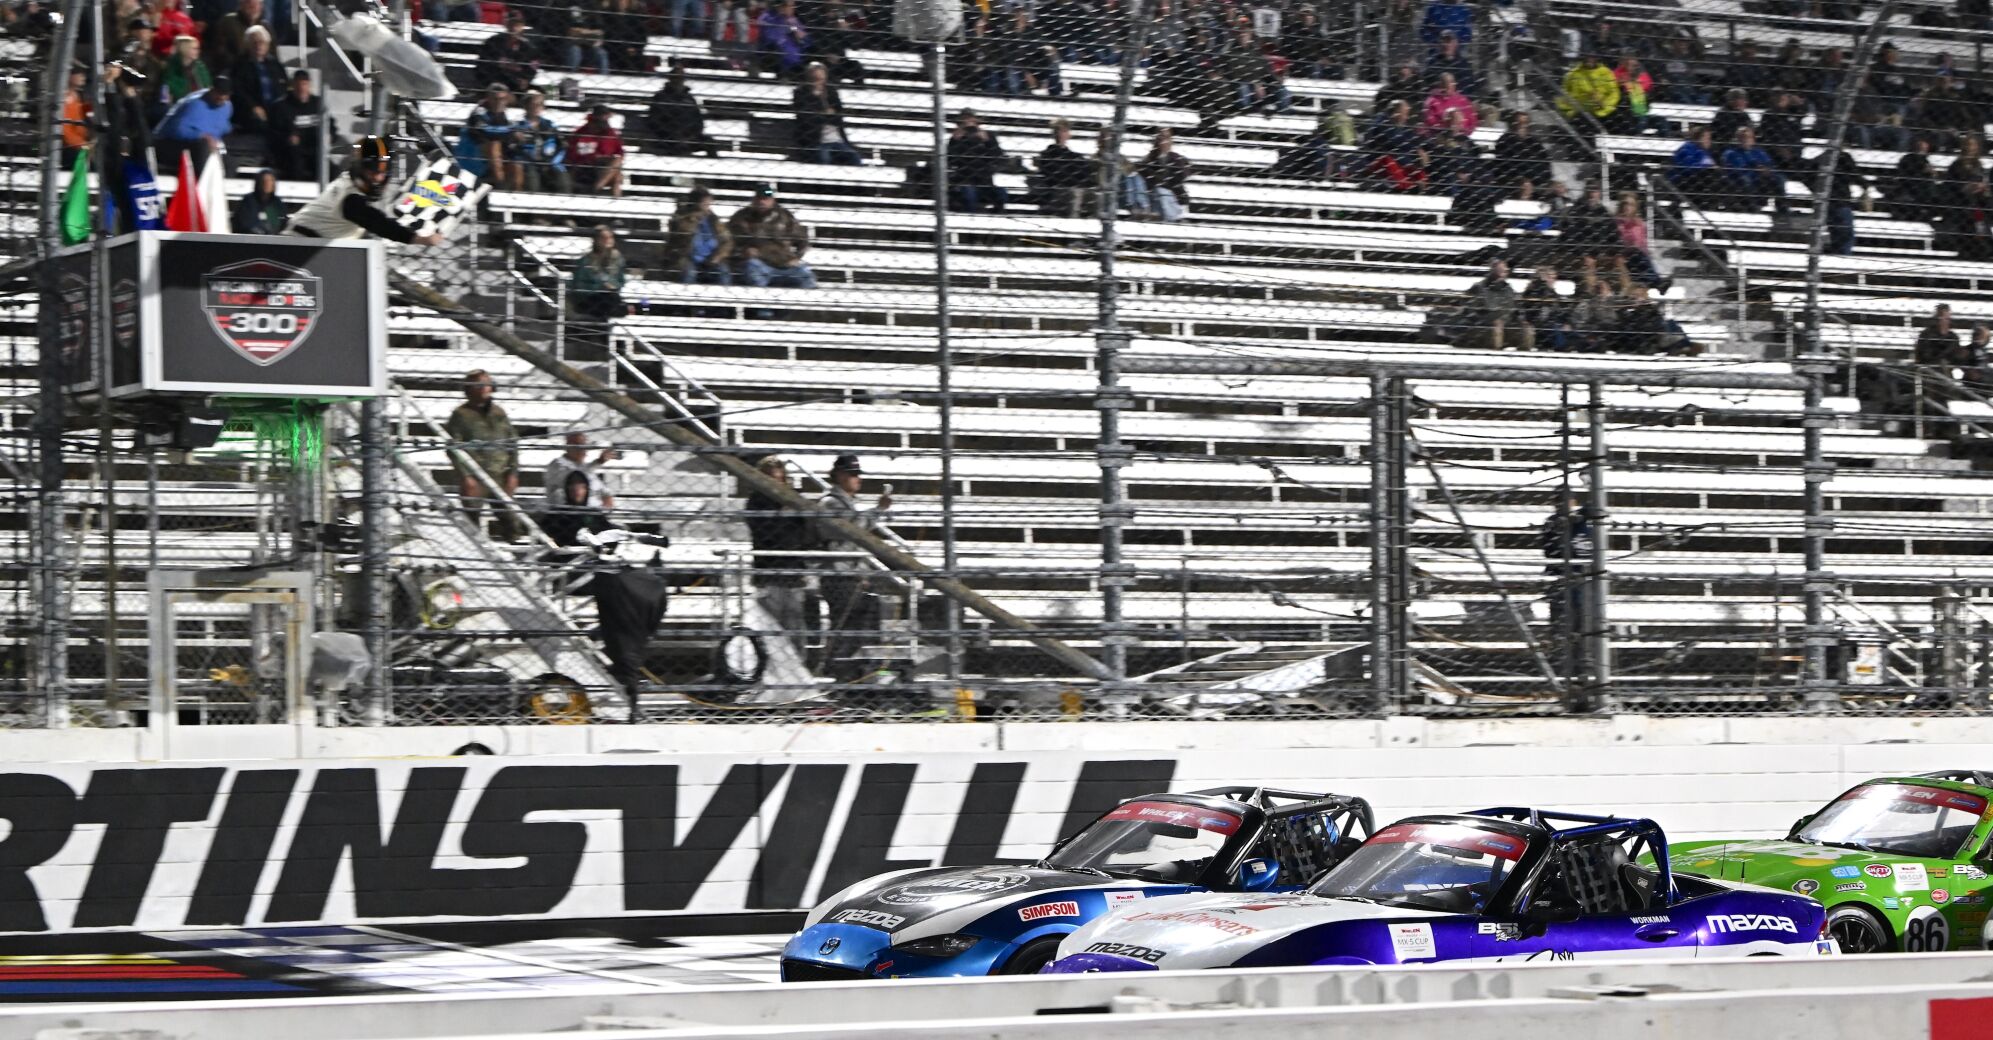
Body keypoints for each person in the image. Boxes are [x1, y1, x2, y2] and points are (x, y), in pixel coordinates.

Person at [814, 453, 891, 681]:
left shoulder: (847, 504)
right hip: (838, 575)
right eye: (853, 474)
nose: (858, 479)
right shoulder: (829, 503)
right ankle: (840, 673)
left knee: (861, 623)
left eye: (858, 475)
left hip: (851, 574)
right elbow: (849, 530)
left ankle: (860, 671)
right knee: (845, 627)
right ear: (839, 476)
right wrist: (876, 511)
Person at [284, 135, 444, 245]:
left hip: (304, 246)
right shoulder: (350, 199)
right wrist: (418, 239)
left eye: (382, 173)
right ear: (360, 168)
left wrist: (415, 141)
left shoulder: (349, 180)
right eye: (372, 172)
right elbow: (377, 222)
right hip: (297, 248)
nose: (378, 178)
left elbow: (375, 149)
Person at [744, 455, 814, 661]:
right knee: (771, 624)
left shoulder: (791, 499)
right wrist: (782, 515)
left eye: (780, 479)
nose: (777, 484)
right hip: (769, 571)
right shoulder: (756, 502)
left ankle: (796, 666)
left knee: (794, 623)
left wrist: (795, 510)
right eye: (771, 479)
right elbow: (765, 534)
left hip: (793, 570)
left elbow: (805, 533)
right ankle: (770, 666)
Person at [444, 370, 524, 541]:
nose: (485, 388)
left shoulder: (498, 413)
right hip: (475, 475)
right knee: (471, 521)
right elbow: (453, 448)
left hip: (500, 474)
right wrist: (466, 476)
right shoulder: (460, 415)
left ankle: (515, 548)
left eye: (487, 383)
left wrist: (513, 473)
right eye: (479, 384)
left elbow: (513, 442)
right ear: (469, 389)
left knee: (511, 520)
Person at [729, 183, 816, 288]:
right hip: (759, 264)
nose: (762, 202)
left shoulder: (785, 216)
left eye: (766, 199)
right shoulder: (741, 217)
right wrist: (744, 252)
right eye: (759, 198)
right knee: (752, 267)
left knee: (805, 273)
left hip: (785, 265)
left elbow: (803, 241)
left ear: (772, 200)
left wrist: (797, 258)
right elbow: (729, 242)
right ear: (754, 199)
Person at [571, 225, 628, 355]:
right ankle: (615, 347)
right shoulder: (585, 261)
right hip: (588, 299)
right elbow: (579, 286)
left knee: (610, 301)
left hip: (608, 299)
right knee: (611, 302)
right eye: (603, 238)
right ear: (596, 240)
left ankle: (609, 342)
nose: (608, 240)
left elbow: (621, 281)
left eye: (610, 237)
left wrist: (612, 286)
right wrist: (600, 287)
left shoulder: (617, 260)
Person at [152, 74, 231, 169]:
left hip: (206, 148)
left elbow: (221, 127)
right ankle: (199, 183)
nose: (222, 97)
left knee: (230, 162)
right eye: (219, 93)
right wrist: (202, 136)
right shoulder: (194, 103)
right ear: (212, 89)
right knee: (203, 148)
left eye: (225, 94)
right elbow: (175, 130)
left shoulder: (227, 107)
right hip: (168, 144)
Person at [647, 62, 722, 157]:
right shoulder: (661, 96)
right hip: (668, 136)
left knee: (710, 142)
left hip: (690, 136)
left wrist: (691, 135)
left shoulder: (689, 98)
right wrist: (672, 133)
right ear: (670, 78)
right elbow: (654, 121)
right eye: (675, 77)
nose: (678, 80)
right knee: (676, 144)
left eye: (680, 77)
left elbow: (698, 120)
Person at [794, 63, 861, 165]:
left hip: (837, 139)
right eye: (816, 79)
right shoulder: (802, 92)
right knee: (824, 159)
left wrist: (823, 114)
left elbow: (838, 116)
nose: (819, 82)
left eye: (822, 79)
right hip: (816, 140)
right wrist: (816, 99)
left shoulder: (831, 91)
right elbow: (807, 118)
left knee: (855, 158)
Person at [664, 185, 733, 284]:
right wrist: (693, 218)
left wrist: (717, 257)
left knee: (723, 272)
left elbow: (727, 240)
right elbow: (681, 233)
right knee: (689, 273)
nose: (707, 202)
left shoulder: (713, 219)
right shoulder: (681, 216)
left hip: (710, 259)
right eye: (703, 199)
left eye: (708, 199)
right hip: (685, 258)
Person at [266, 70, 327, 181]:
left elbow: (330, 126)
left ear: (309, 85)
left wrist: (329, 136)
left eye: (304, 84)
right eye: (298, 84)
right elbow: (273, 133)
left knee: (332, 169)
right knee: (296, 164)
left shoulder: (318, 104)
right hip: (290, 154)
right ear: (293, 86)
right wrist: (287, 139)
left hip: (315, 151)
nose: (301, 88)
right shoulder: (281, 107)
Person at [459, 83, 520, 190]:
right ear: (488, 98)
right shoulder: (479, 111)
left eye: (503, 99)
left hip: (496, 151)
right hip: (473, 149)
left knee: (517, 163)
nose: (499, 102)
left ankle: (516, 192)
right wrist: (510, 131)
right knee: (494, 146)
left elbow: (507, 135)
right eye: (495, 99)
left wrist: (511, 135)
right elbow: (485, 132)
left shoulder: (503, 114)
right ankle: (500, 185)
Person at [947, 109, 1008, 213]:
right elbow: (949, 159)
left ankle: (998, 213)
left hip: (985, 180)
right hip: (963, 179)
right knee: (968, 193)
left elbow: (999, 157)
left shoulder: (988, 137)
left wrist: (987, 141)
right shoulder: (956, 138)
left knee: (1001, 193)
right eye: (965, 121)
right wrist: (955, 140)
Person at [1035, 118, 1096, 217]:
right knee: (1074, 194)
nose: (1062, 134)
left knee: (1097, 195)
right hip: (1058, 190)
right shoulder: (1048, 154)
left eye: (1065, 131)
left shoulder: (1074, 155)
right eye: (1060, 131)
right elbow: (1055, 175)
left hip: (1077, 187)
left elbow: (1086, 171)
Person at [228, 26, 283, 135]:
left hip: (275, 108)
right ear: (248, 45)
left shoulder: (275, 64)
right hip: (251, 109)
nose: (259, 45)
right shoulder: (240, 64)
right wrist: (253, 106)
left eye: (262, 42)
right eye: (254, 42)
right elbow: (238, 91)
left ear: (267, 45)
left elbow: (283, 86)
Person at [544, 431, 619, 510]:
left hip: (593, 514)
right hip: (567, 514)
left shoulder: (586, 468)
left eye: (584, 445)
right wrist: (598, 462)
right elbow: (576, 478)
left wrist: (607, 497)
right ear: (568, 446)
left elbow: (604, 491)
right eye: (579, 445)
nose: (584, 449)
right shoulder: (557, 465)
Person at [540, 468, 614, 548]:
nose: (576, 491)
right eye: (573, 487)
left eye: (581, 487)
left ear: (586, 489)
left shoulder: (594, 513)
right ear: (567, 490)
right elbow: (543, 534)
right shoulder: (557, 514)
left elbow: (607, 533)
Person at [516, 91, 572, 194]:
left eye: (540, 104)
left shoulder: (550, 125)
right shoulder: (519, 127)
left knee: (564, 181)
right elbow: (515, 150)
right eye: (533, 104)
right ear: (526, 106)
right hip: (529, 162)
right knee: (532, 182)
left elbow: (562, 146)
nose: (537, 107)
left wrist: (551, 161)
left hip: (552, 161)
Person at [1457, 259, 1519, 349]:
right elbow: (1469, 312)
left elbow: (1516, 309)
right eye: (1499, 271)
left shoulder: (1508, 289)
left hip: (1506, 323)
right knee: (1496, 327)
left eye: (1505, 271)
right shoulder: (1479, 287)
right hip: (1485, 325)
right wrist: (1488, 321)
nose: (1503, 274)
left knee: (1526, 328)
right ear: (1492, 271)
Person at [1132, 128, 1192, 222]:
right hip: (1154, 199)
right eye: (1160, 138)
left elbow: (1176, 179)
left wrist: (1153, 175)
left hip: (1174, 198)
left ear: (1171, 141)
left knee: (1161, 191)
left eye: (1166, 138)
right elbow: (1142, 175)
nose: (1162, 141)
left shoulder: (1178, 159)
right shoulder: (1149, 159)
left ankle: (1171, 218)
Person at [1722, 126, 1783, 213]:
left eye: (1749, 137)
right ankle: (1752, 208)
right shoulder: (1731, 152)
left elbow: (1769, 164)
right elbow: (1738, 169)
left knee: (1777, 177)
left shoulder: (1758, 151)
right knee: (1745, 180)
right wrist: (1756, 168)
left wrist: (1766, 169)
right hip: (1742, 179)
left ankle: (1782, 209)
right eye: (1743, 137)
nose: (1746, 140)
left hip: (1760, 178)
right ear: (1738, 138)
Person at [568, 105, 625, 197]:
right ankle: (600, 192)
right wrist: (596, 157)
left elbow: (620, 153)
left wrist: (605, 159)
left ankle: (596, 189)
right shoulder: (582, 132)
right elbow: (575, 154)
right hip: (584, 168)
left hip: (604, 169)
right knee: (616, 174)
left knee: (616, 171)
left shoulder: (610, 133)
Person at [475, 13, 539, 95]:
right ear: (506, 24)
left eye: (517, 25)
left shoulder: (528, 47)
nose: (514, 28)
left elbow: (531, 70)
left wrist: (525, 80)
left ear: (522, 26)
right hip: (492, 83)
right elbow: (481, 65)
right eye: (511, 24)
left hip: (515, 87)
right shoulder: (493, 42)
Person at [1558, 53, 1620, 131]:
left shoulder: (1606, 72)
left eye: (1592, 57)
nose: (1590, 60)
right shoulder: (1573, 74)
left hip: (1602, 110)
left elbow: (1614, 93)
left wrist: (1604, 105)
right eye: (1587, 57)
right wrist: (1571, 109)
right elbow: (1564, 93)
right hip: (1580, 111)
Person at [203, 0, 264, 78]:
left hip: (260, 70)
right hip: (233, 70)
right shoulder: (228, 22)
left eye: (257, 4)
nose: (254, 7)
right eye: (249, 3)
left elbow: (273, 55)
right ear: (241, 4)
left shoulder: (266, 26)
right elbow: (220, 51)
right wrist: (242, 64)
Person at [1491, 111, 1550, 191]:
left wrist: (1535, 176)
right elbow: (1505, 162)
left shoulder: (1534, 142)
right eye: (1519, 122)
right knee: (1524, 184)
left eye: (1525, 122)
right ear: (1513, 123)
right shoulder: (1505, 139)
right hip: (1513, 176)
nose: (1523, 125)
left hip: (1534, 177)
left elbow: (1545, 161)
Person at [1668, 125, 1720, 209]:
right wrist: (1707, 166)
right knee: (1711, 174)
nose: (1709, 141)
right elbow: (1689, 168)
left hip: (1699, 181)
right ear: (1699, 138)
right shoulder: (1687, 148)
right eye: (1707, 138)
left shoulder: (1703, 151)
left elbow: (1711, 165)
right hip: (1683, 181)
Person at [1518, 265, 1567, 351]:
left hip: (1550, 323)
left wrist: (1566, 322)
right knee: (1557, 332)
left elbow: (1559, 312)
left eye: (1554, 278)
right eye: (1550, 277)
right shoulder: (1534, 292)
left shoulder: (1553, 294)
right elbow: (1528, 311)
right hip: (1538, 323)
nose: (1553, 280)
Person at [757, 0, 808, 79]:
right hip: (775, 54)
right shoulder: (767, 17)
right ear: (781, 7)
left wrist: (793, 26)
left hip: (796, 57)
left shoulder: (792, 19)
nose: (793, 8)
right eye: (790, 6)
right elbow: (771, 38)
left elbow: (804, 37)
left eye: (793, 6)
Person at [230, 168, 287, 233]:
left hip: (272, 240)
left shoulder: (277, 202)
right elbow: (245, 224)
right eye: (264, 180)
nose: (267, 183)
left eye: (270, 180)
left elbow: (281, 222)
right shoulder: (248, 201)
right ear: (258, 183)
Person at [159, 34, 212, 105]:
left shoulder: (200, 66)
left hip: (201, 103)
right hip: (180, 104)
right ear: (185, 49)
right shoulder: (171, 67)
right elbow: (167, 87)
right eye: (195, 49)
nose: (198, 51)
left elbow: (207, 85)